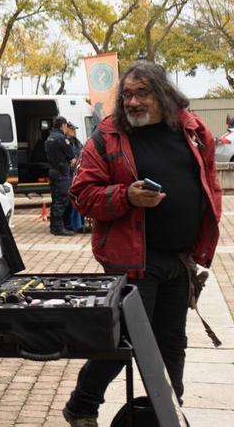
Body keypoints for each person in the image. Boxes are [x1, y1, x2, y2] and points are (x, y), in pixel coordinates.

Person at [62, 61, 222, 427]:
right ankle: (82, 406)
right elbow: (82, 195)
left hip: (179, 260)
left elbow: (209, 180)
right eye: (127, 95)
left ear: (163, 94)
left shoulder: (193, 131)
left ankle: (168, 410)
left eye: (142, 93)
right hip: (132, 259)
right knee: (124, 342)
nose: (132, 102)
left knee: (171, 342)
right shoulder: (107, 138)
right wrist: (125, 196)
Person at [46, 116, 77, 236]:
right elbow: (72, 158)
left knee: (55, 200)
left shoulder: (49, 138)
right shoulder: (62, 139)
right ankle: (59, 228)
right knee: (62, 201)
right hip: (62, 172)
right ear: (63, 125)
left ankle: (54, 227)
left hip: (53, 171)